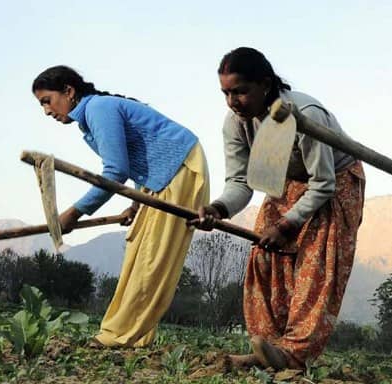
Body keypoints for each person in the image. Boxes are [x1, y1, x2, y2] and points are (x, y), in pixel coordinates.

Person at [195, 47, 366, 370]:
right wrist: (218, 208)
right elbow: (241, 181)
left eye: (241, 92)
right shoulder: (236, 123)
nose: (233, 101)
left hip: (333, 183)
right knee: (264, 255)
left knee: (316, 267)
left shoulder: (305, 114)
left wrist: (289, 224)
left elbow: (323, 183)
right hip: (286, 182)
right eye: (226, 93)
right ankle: (270, 347)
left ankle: (294, 354)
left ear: (265, 84)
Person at [31, 66, 209, 347]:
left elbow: (116, 171)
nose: (46, 111)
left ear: (68, 91)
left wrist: (75, 211)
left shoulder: (99, 109)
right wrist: (136, 205)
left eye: (47, 100)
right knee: (139, 249)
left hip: (179, 167)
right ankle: (133, 334)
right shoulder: (91, 117)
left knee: (152, 257)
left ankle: (118, 335)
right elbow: (142, 159)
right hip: (159, 176)